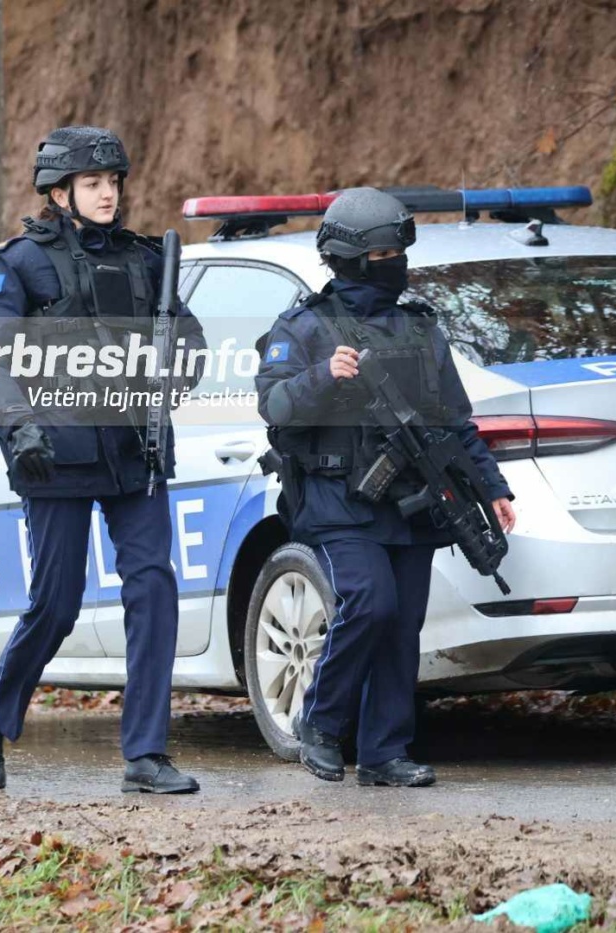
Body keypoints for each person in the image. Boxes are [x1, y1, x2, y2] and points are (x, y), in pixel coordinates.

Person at [0, 125, 204, 794]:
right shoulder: (20, 263)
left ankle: (146, 754)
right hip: (54, 454)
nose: (107, 193)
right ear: (60, 192)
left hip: (134, 451)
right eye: (93, 183)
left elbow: (189, 340)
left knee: (153, 589)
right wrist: (20, 429)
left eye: (113, 181)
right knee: (58, 603)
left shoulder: (144, 260)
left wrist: (174, 368)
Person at [255, 187, 515, 787]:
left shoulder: (420, 329)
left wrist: (492, 489)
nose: (394, 264)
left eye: (398, 253)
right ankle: (321, 724)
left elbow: (455, 422)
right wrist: (325, 376)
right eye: (380, 256)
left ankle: (383, 752)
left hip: (413, 503)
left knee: (402, 627)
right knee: (370, 603)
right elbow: (274, 405)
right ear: (348, 258)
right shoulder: (304, 327)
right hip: (338, 501)